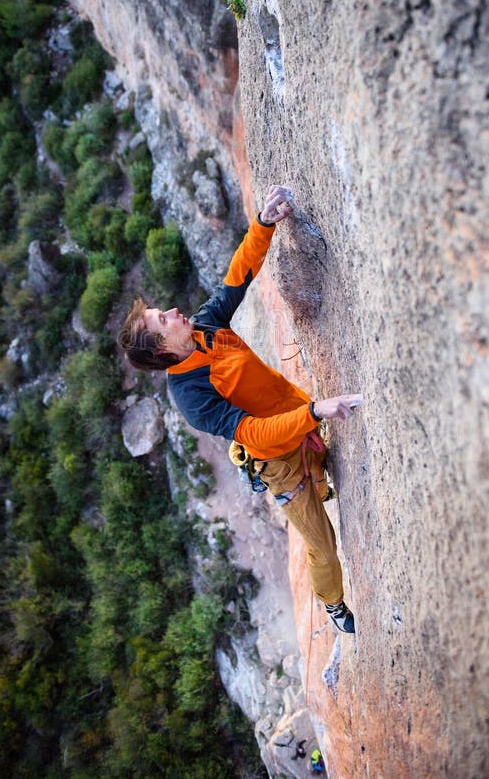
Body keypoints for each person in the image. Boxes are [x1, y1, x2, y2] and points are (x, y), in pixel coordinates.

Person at [118, 185, 361, 633]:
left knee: (328, 469)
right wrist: (316, 413)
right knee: (322, 546)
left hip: (297, 413)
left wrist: (263, 224)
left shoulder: (204, 328)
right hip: (279, 461)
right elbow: (253, 436)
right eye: (162, 319)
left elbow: (237, 276)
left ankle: (323, 479)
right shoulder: (192, 395)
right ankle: (333, 604)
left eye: (162, 310)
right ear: (164, 348)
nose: (173, 310)